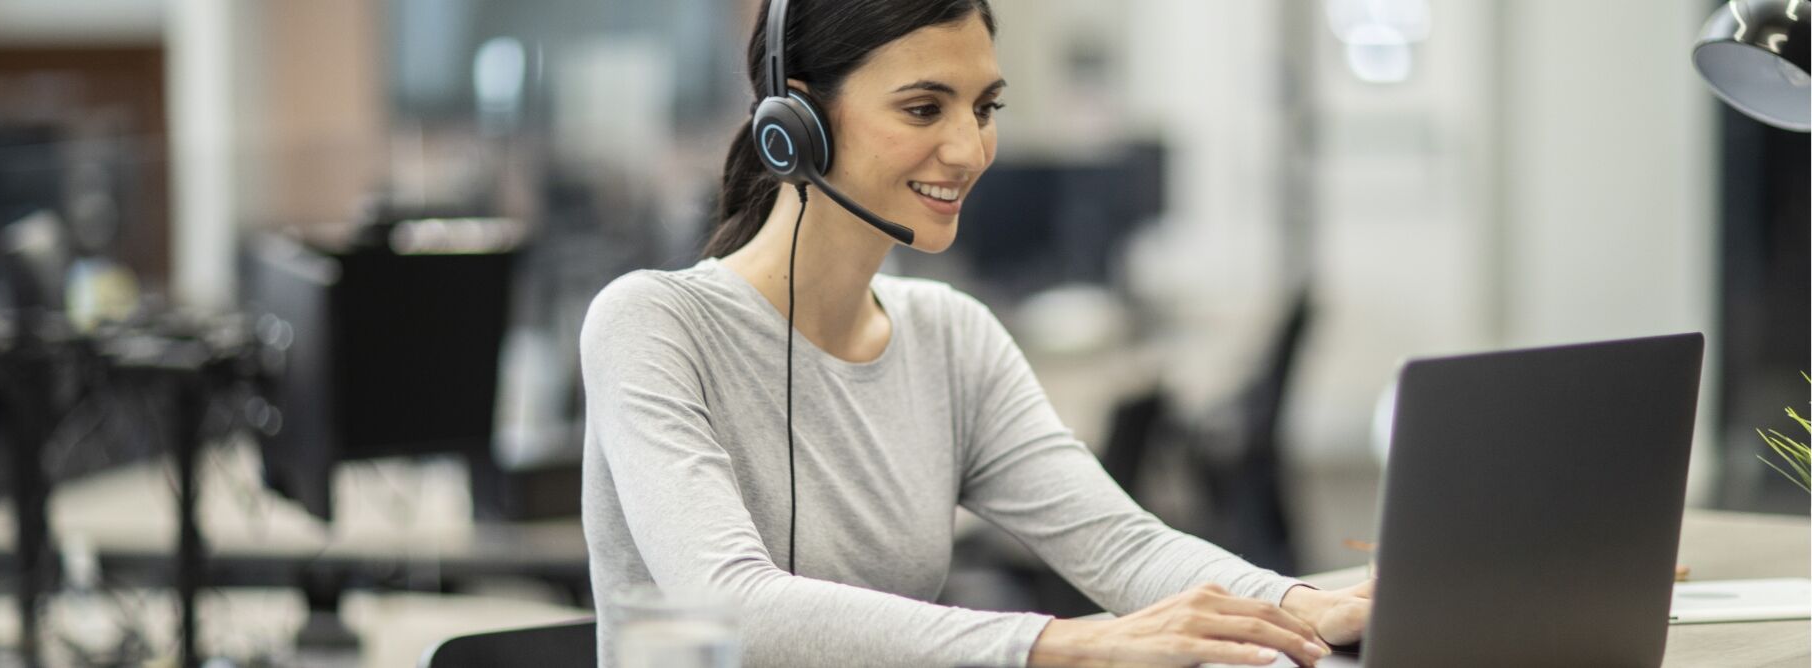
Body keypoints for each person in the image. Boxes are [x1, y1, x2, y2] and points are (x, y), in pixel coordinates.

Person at [579, 0, 1372, 665]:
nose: (969, 149)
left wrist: (1303, 605)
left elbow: (1121, 546)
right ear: (798, 121)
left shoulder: (951, 336)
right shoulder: (651, 324)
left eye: (984, 108)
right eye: (924, 108)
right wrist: (1061, 646)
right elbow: (727, 606)